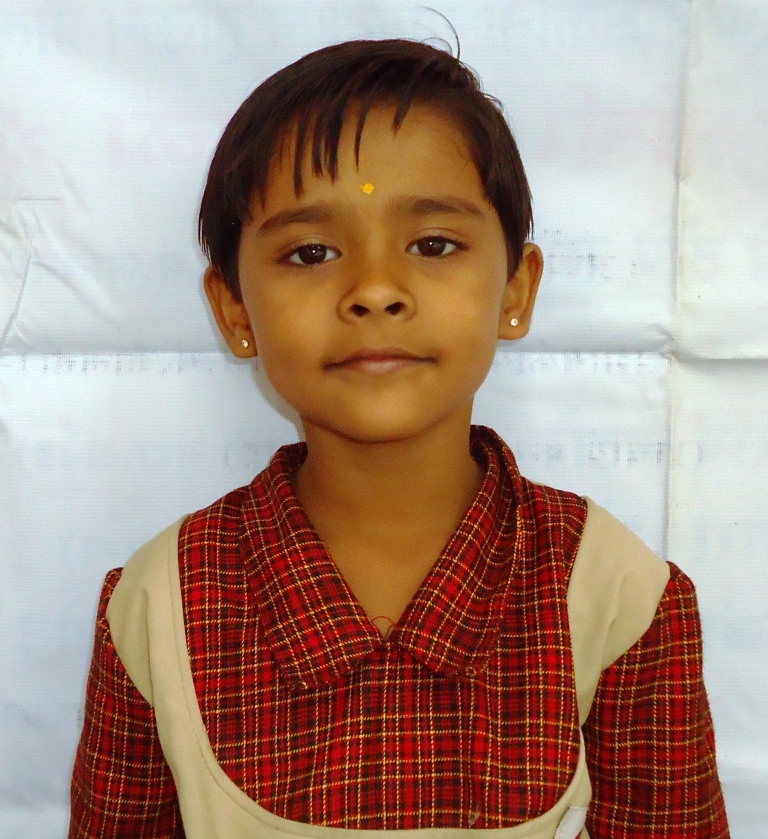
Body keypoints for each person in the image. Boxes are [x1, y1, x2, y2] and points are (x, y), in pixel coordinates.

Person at [68, 39, 729, 838]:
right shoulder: (158, 605)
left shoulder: (618, 595)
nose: (375, 290)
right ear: (235, 308)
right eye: (311, 252)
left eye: (433, 245)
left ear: (516, 290)